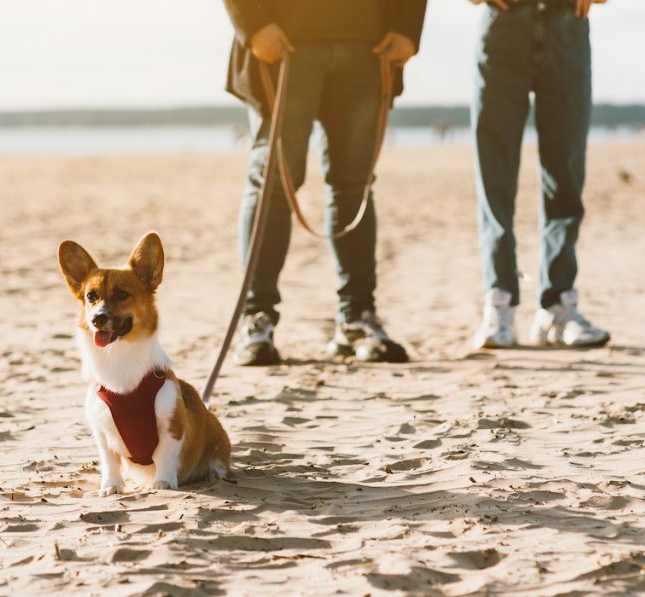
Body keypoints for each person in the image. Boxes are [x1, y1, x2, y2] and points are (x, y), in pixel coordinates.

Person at [222, 0, 428, 365]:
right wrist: (252, 23)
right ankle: (256, 319)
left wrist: (409, 27)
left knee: (355, 185)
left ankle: (356, 318)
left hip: (369, 42)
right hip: (282, 38)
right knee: (273, 182)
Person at [469, 0, 610, 349]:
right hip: (503, 26)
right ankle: (499, 300)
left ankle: (557, 306)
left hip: (568, 26)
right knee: (495, 176)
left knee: (565, 174)